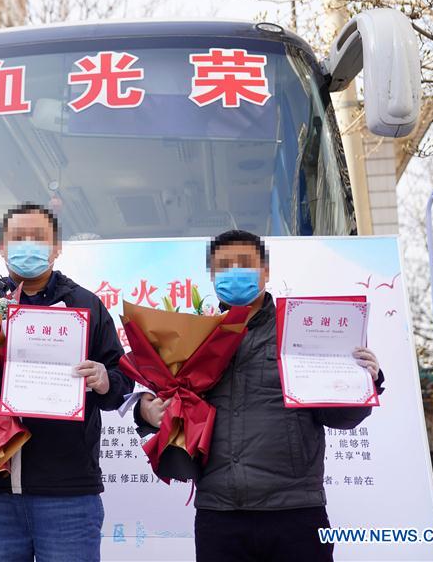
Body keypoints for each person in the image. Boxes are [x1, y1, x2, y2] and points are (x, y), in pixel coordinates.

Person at [135, 229, 385, 562]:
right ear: (211, 276)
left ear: (265, 272)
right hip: (219, 512)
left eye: (244, 263)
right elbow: (171, 405)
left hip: (295, 509)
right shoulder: (193, 336)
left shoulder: (299, 328)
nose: (234, 272)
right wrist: (145, 411)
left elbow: (340, 417)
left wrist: (365, 382)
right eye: (223, 266)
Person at [0, 203, 134, 562]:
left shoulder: (85, 306)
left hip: (67, 494)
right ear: (2, 248)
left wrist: (103, 379)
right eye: (17, 238)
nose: (27, 246)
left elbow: (123, 382)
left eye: (38, 238)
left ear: (57, 248)